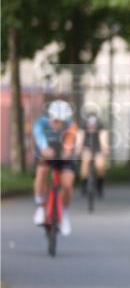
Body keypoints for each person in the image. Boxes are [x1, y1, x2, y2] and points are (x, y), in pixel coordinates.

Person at [32, 100, 79, 235]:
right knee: (42, 171)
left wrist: (67, 151)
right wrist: (44, 148)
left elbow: (69, 143)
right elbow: (40, 139)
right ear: (50, 117)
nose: (58, 124)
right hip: (47, 151)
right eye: (56, 121)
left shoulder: (71, 126)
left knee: (67, 184)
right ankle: (40, 206)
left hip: (63, 153)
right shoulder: (40, 124)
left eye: (62, 122)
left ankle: (65, 213)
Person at [76, 112, 109, 197]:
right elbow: (80, 138)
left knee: (100, 166)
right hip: (87, 147)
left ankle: (99, 187)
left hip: (97, 148)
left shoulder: (101, 126)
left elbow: (103, 139)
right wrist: (79, 148)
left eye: (93, 125)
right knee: (85, 163)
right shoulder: (83, 126)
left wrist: (104, 148)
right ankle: (84, 185)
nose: (92, 127)